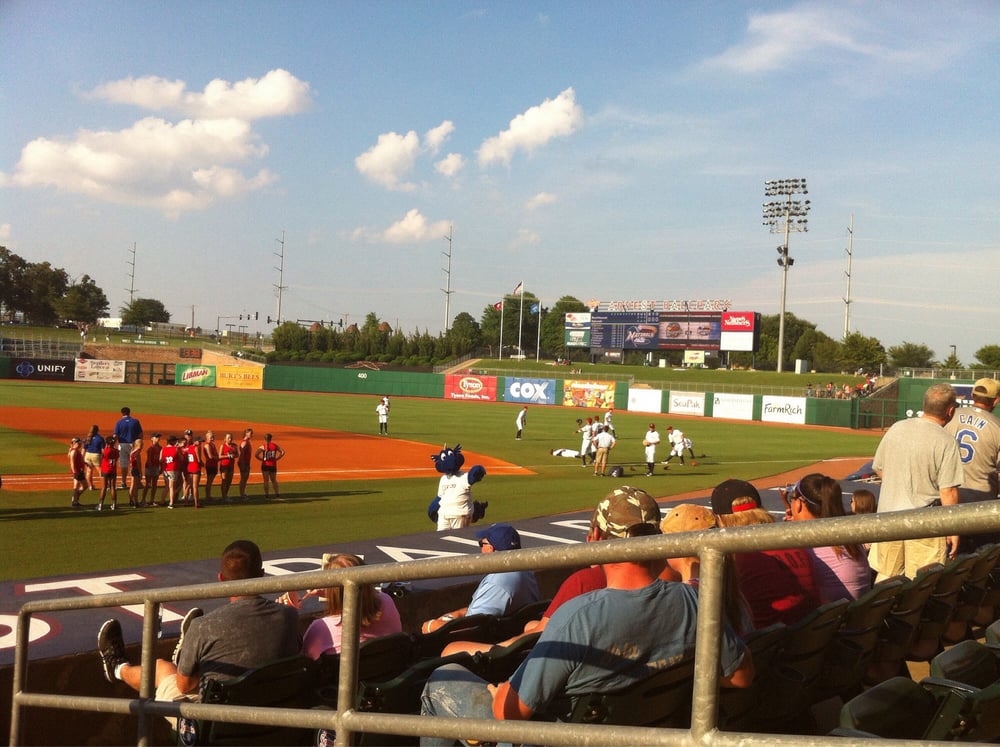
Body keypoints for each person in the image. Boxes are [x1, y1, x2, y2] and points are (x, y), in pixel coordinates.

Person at [418, 490, 753, 742]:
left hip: (562, 736)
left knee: (442, 678)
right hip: (646, 734)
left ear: (596, 540)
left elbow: (510, 712)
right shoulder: (694, 601)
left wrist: (500, 695)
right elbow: (740, 677)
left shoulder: (578, 616)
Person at [96, 540, 301, 729]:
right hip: (277, 719)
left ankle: (118, 668)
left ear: (221, 579)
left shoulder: (204, 626)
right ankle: (188, 657)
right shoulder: (290, 616)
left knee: (161, 668)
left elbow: (183, 686)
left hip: (216, 726)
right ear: (262, 574)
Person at [870, 382, 963, 582]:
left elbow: (879, 468)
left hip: (888, 517)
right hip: (925, 522)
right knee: (922, 583)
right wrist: (954, 530)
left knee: (887, 577)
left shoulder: (897, 428)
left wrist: (901, 486)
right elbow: (948, 492)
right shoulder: (946, 441)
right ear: (950, 411)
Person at [712, 478, 820, 629]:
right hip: (808, 635)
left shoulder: (739, 560)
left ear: (719, 519)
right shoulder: (795, 545)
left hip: (767, 640)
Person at [278, 553, 402, 658]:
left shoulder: (321, 628)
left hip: (343, 680)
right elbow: (363, 594)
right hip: (389, 675)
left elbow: (302, 662)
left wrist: (285, 619)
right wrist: (333, 594)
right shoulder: (387, 601)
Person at [422, 523, 539, 633]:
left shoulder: (498, 582)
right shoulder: (525, 571)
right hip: (511, 632)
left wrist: (431, 626)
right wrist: (456, 615)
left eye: (482, 544)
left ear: (491, 549)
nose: (481, 549)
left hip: (488, 641)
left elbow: (471, 628)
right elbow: (486, 609)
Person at [783, 473, 871, 604]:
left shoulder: (809, 548)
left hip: (828, 614)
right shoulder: (850, 538)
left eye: (792, 499)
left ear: (799, 504)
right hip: (855, 612)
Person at [944, 378, 1000, 551]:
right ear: (996, 401)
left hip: (947, 501)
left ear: (972, 395)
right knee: (983, 558)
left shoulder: (949, 416)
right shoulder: (997, 427)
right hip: (982, 505)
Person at [113, 407, 144, 490]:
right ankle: (138, 482)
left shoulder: (119, 422)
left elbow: (115, 435)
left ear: (122, 413)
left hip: (122, 445)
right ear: (129, 412)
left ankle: (123, 482)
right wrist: (139, 444)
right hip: (133, 445)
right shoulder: (135, 421)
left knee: (123, 464)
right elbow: (140, 434)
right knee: (135, 463)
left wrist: (113, 445)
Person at [255, 433, 285, 500]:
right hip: (273, 465)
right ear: (271, 439)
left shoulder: (263, 446)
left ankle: (266, 495)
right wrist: (277, 458)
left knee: (266, 480)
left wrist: (262, 459)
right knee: (274, 480)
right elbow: (282, 452)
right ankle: (277, 494)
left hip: (265, 465)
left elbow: (256, 454)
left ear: (265, 439)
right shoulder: (275, 445)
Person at [159, 435, 183, 509]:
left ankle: (162, 501)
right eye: (175, 440)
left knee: (167, 486)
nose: (176, 442)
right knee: (172, 487)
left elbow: (160, 460)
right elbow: (181, 458)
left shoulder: (163, 449)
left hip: (165, 470)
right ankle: (171, 503)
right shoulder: (176, 449)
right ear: (172, 441)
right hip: (173, 470)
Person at [97, 435, 119, 511]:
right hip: (113, 470)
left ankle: (100, 505)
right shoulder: (116, 451)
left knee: (104, 487)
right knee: (113, 487)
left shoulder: (105, 451)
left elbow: (101, 457)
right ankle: (114, 504)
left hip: (105, 470)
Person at [141, 433, 162, 506]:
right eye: (156, 437)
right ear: (152, 438)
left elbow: (160, 459)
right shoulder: (150, 448)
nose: (158, 438)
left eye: (158, 437)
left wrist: (160, 468)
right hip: (150, 467)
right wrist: (151, 468)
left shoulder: (160, 448)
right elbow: (149, 459)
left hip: (156, 467)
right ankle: (143, 500)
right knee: (148, 484)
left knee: (154, 485)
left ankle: (152, 500)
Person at [82, 425, 105, 491]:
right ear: (97, 430)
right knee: (100, 471)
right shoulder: (100, 438)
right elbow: (103, 450)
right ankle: (105, 486)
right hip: (96, 455)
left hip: (87, 455)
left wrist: (82, 457)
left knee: (89, 471)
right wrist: (104, 457)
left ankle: (91, 486)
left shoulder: (88, 437)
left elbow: (84, 449)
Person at [218, 433, 238, 501]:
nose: (230, 439)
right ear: (225, 439)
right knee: (224, 481)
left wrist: (234, 455)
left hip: (231, 466)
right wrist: (227, 456)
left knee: (229, 481)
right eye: (228, 438)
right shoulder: (223, 446)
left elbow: (237, 454)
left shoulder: (234, 446)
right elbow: (219, 456)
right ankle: (224, 497)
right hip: (224, 466)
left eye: (231, 438)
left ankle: (225, 495)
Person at [185, 434, 204, 508]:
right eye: (199, 442)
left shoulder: (189, 447)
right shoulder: (196, 448)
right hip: (196, 468)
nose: (200, 443)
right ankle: (196, 503)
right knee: (195, 487)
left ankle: (186, 502)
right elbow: (198, 460)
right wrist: (202, 464)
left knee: (188, 486)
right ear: (195, 441)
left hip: (189, 468)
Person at [201, 431, 220, 501]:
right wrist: (220, 458)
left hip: (214, 464)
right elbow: (210, 456)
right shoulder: (207, 445)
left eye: (213, 437)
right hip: (210, 465)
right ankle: (207, 496)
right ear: (207, 438)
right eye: (211, 437)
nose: (212, 438)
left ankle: (208, 496)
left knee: (210, 481)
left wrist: (218, 458)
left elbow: (215, 454)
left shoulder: (212, 445)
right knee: (209, 481)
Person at [68, 437, 86, 507]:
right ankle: (75, 500)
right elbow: (72, 463)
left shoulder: (75, 450)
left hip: (79, 470)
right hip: (77, 471)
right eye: (79, 443)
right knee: (82, 486)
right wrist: (75, 472)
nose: (80, 444)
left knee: (78, 486)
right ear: (75, 443)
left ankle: (75, 500)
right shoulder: (74, 452)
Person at [237, 427, 254, 499]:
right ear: (246, 433)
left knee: (245, 478)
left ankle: (243, 493)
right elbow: (242, 454)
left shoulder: (247, 442)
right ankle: (242, 494)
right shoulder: (244, 442)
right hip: (243, 463)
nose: (252, 435)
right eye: (251, 433)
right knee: (243, 479)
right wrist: (243, 464)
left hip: (245, 463)